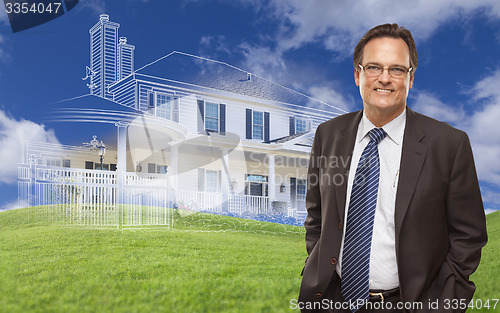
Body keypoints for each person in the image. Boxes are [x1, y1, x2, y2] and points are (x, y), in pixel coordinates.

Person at [298, 23, 488, 313]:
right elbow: (316, 216)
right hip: (332, 300)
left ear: (410, 79)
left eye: (397, 70)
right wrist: (319, 266)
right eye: (373, 67)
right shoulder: (328, 135)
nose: (384, 79)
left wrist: (443, 301)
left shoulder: (449, 144)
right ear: (357, 74)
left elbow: (469, 234)